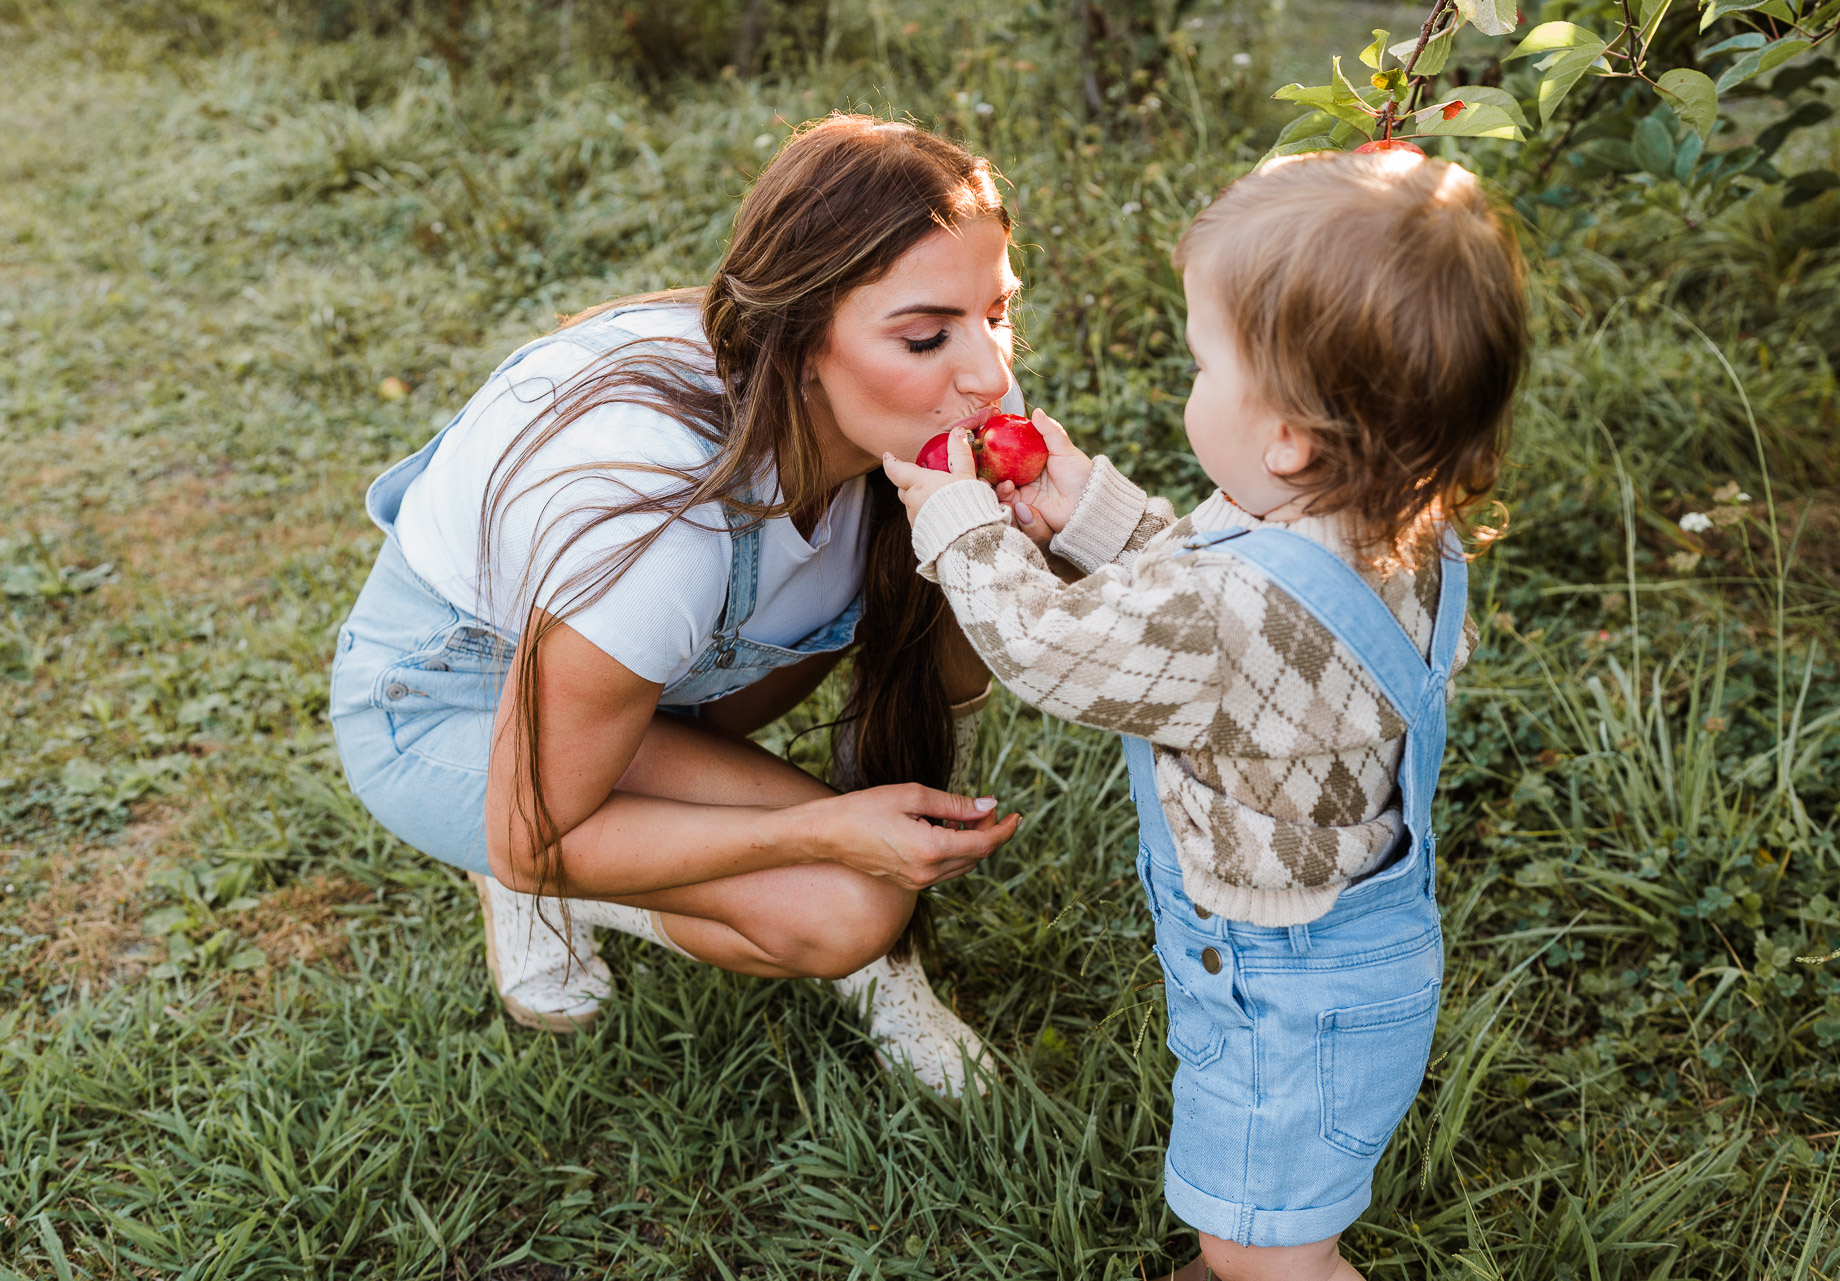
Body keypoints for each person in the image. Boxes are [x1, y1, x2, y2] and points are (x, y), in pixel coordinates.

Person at [883, 150, 1528, 1277]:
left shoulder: (1235, 604)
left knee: (1263, 1250)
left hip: (1282, 979)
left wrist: (961, 526)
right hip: (1336, 949)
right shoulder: (1385, 533)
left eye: (1200, 365)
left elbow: (1051, 648)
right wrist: (1082, 509)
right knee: (1261, 1211)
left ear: (1287, 437)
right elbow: (1212, 597)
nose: (1191, 389)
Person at [328, 114, 1027, 1097]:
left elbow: (951, 676)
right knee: (848, 906)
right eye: (926, 335)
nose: (990, 374)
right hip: (455, 700)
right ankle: (541, 894)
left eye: (996, 313)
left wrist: (988, 546)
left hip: (643, 676)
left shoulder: (919, 411)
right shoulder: (659, 521)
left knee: (846, 858)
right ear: (801, 342)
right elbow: (538, 831)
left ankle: (619, 821)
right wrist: (824, 830)